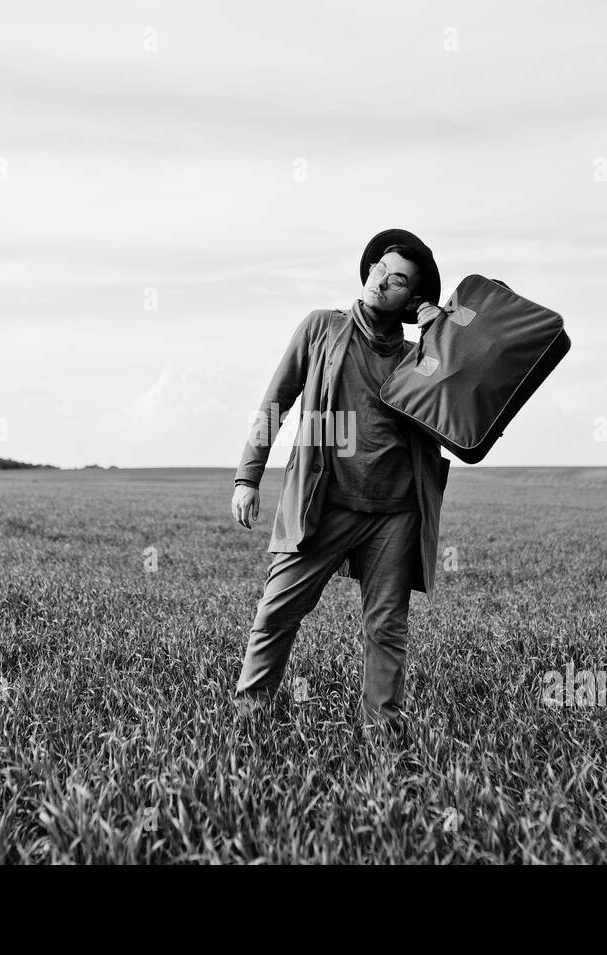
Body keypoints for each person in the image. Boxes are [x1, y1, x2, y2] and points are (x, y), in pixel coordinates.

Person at [230, 228, 452, 741]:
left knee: (386, 629)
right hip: (323, 501)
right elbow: (275, 403)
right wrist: (248, 475)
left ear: (412, 300)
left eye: (398, 280)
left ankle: (383, 733)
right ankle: (250, 718)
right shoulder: (321, 328)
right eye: (380, 268)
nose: (381, 281)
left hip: (396, 512)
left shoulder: (423, 359)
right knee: (278, 610)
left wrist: (443, 339)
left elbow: (461, 410)